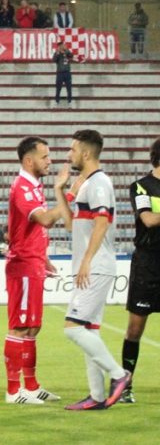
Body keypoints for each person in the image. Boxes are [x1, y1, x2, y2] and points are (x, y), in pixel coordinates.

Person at [60, 130, 132, 410]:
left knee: (72, 328)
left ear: (86, 153)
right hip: (91, 265)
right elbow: (70, 225)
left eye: (73, 149)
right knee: (90, 330)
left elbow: (103, 221)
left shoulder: (100, 182)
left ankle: (118, 375)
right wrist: (60, 191)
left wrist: (88, 259)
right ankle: (97, 396)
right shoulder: (87, 184)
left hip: (96, 266)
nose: (69, 154)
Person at [2, 136, 70, 404]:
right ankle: (12, 391)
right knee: (20, 326)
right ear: (29, 160)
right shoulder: (22, 187)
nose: (49, 161)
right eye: (45, 157)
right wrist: (66, 194)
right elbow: (45, 220)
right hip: (22, 265)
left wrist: (44, 258)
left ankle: (30, 386)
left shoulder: (33, 186)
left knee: (33, 327)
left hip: (33, 263)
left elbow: (31, 229)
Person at [121, 137, 160, 404]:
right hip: (148, 264)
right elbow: (148, 219)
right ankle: (126, 386)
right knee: (135, 330)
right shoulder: (141, 186)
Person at [53, 42, 74, 107]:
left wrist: (66, 50)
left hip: (67, 72)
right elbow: (54, 60)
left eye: (62, 45)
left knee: (69, 88)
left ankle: (70, 101)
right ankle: (57, 101)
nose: (61, 47)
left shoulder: (67, 52)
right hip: (60, 73)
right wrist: (58, 53)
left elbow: (71, 55)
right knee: (58, 88)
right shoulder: (57, 53)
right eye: (60, 46)